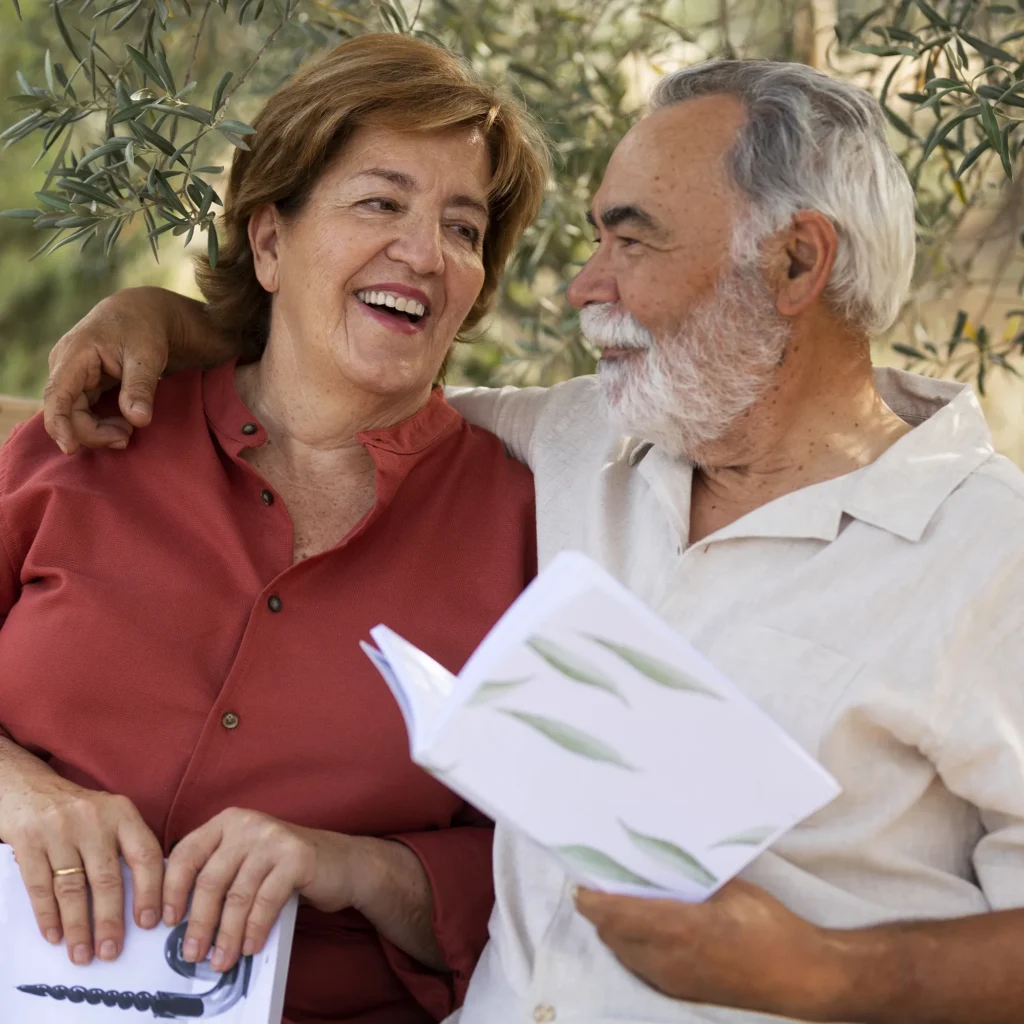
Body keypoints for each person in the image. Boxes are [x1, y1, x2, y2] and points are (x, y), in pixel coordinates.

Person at [37, 59, 1024, 1023]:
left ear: (796, 261)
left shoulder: (990, 551)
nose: (581, 287)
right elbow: (329, 374)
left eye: (630, 243)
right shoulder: (583, 441)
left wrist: (821, 973)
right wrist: (154, 319)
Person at [0, 32, 550, 1024]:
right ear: (268, 241)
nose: (425, 254)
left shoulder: (521, 526)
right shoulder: (96, 437)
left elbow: (543, 870)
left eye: (462, 227)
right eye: (380, 203)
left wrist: (355, 866)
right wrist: (16, 787)